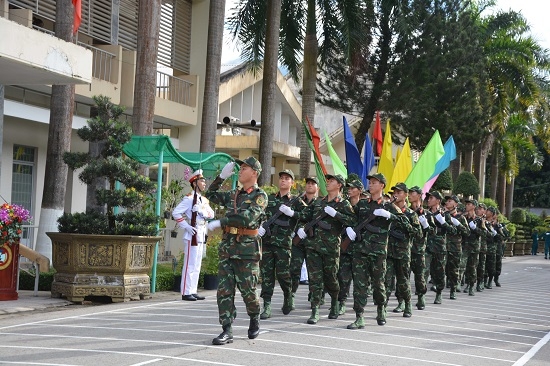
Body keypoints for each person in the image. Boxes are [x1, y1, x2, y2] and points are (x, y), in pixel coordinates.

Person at [204, 157, 268, 346]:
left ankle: (254, 316)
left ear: (254, 173)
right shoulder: (234, 194)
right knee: (224, 292)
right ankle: (227, 329)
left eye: (245, 168)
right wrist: (221, 177)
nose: (240, 171)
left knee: (249, 292)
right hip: (227, 249)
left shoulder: (260, 196)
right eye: (240, 168)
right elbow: (211, 194)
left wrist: (221, 222)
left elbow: (247, 219)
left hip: (247, 252)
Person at [346, 173, 405, 329]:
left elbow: (404, 222)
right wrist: (349, 229)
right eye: (370, 182)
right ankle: (359, 316)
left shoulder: (389, 206)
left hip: (378, 251)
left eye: (374, 182)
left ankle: (381, 308)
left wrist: (389, 215)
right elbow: (351, 218)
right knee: (359, 285)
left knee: (378, 284)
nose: (370, 185)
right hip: (360, 250)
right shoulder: (362, 204)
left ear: (382, 186)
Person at [295, 174, 354, 324]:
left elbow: (353, 221)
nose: (328, 183)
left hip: (331, 248)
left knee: (331, 279)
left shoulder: (343, 204)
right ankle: (315, 310)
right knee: (315, 280)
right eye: (328, 181)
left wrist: (337, 214)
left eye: (332, 181)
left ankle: (335, 301)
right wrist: (301, 228)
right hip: (313, 246)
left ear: (339, 185)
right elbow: (305, 216)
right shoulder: (318, 202)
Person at [258, 169, 306, 319]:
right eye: (281, 178)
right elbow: (260, 213)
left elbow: (307, 216)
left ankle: (288, 296)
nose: (283, 180)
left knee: (283, 274)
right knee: (267, 275)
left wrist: (293, 214)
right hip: (267, 242)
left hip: (284, 244)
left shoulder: (296, 201)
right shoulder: (270, 199)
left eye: (287, 178)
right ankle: (266, 305)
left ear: (292, 183)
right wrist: (259, 226)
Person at [172, 169, 215, 301]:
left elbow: (211, 214)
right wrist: (186, 226)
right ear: (195, 183)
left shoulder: (204, 200)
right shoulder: (189, 199)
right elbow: (176, 213)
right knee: (190, 264)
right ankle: (186, 292)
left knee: (197, 264)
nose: (204, 183)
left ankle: (193, 290)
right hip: (192, 234)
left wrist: (201, 210)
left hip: (201, 234)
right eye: (202, 181)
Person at [384, 183, 421, 318]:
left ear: (405, 195)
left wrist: (400, 218)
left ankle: (408, 303)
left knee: (403, 281)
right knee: (386, 281)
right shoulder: (388, 209)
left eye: (399, 192)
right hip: (388, 251)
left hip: (403, 252)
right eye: (395, 192)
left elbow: (418, 233)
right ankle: (383, 307)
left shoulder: (411, 214)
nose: (396, 194)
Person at [424, 190, 457, 305]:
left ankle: (439, 293)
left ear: (438, 201)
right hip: (427, 246)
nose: (429, 200)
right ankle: (421, 295)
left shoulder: (445, 215)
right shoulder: (425, 213)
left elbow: (453, 230)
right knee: (424, 270)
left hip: (440, 247)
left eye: (431, 198)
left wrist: (443, 223)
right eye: (428, 198)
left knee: (439, 272)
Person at [338, 175, 364, 315]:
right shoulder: (343, 204)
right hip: (345, 246)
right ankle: (341, 302)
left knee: (359, 280)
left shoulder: (364, 206)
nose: (349, 190)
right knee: (343, 277)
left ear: (359, 190)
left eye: (353, 188)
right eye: (349, 187)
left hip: (360, 248)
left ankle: (358, 306)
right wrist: (346, 226)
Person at [290, 176, 319, 298]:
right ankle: (290, 296)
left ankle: (315, 296)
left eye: (313, 183)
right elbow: (292, 218)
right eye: (308, 183)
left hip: (313, 242)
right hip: (298, 241)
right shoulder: (297, 201)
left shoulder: (320, 202)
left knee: (314, 271)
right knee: (294, 269)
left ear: (317, 187)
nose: (310, 185)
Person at [408, 186, 430, 310]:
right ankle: (403, 301)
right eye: (409, 193)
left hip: (419, 249)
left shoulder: (426, 213)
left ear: (419, 195)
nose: (409, 195)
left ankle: (421, 296)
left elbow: (432, 231)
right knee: (404, 276)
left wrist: (426, 224)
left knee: (419, 275)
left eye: (412, 193)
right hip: (405, 248)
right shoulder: (406, 212)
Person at [443, 195, 469, 300]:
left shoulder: (461, 218)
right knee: (441, 269)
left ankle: (453, 289)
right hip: (443, 246)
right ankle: (439, 289)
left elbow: (467, 232)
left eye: (450, 201)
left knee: (454, 270)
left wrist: (458, 224)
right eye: (447, 201)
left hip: (455, 247)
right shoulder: (443, 215)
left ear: (456, 204)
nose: (447, 203)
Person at [462, 199, 482, 296]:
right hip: (465, 245)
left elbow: (484, 233)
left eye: (469, 204)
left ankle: (471, 286)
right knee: (463, 265)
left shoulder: (478, 220)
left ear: (474, 206)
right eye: (467, 204)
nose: (467, 205)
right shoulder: (464, 218)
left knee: (472, 267)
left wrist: (475, 228)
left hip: (474, 246)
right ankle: (463, 283)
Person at [475, 202, 490, 292]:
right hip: (474, 246)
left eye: (480, 209)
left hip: (482, 247)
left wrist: (483, 224)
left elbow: (488, 234)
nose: (478, 210)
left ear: (485, 211)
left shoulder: (486, 222)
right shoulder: (475, 219)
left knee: (481, 266)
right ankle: (470, 283)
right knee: (472, 266)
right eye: (477, 208)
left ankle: (480, 282)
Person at [484, 207, 499, 289]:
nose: (486, 212)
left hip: (492, 247)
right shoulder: (483, 221)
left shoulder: (495, 224)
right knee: (483, 265)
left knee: (491, 265)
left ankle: (490, 280)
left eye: (488, 211)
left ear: (492, 213)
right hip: (483, 246)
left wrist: (494, 231)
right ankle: (484, 281)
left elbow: (500, 237)